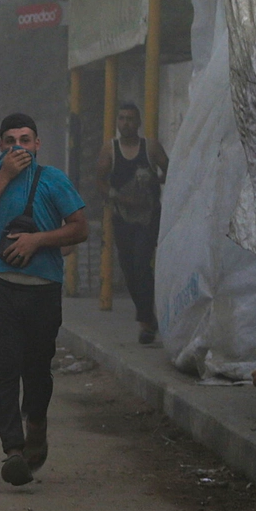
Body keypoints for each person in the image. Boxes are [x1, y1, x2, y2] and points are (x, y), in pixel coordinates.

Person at [0, 113, 88, 486]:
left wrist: (37, 240)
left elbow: (80, 227)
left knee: (36, 372)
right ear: (1, 146)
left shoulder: (53, 180)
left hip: (42, 292)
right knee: (3, 372)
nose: (19, 146)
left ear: (37, 144)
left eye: (26, 139)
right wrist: (3, 176)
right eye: (11, 140)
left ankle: (36, 424)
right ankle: (13, 451)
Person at [96, 102, 168, 344]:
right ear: (117, 122)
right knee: (128, 270)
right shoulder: (110, 149)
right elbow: (100, 181)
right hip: (122, 218)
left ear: (138, 123)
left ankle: (146, 323)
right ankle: (148, 316)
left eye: (130, 119)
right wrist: (120, 197)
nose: (125, 123)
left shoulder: (150, 147)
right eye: (122, 118)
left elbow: (171, 170)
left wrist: (155, 182)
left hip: (148, 218)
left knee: (141, 264)